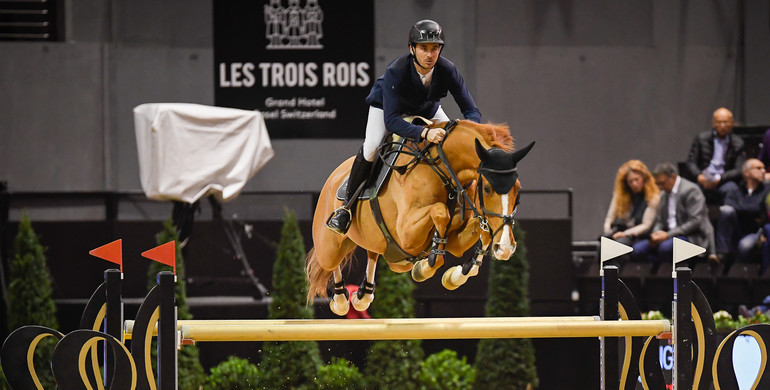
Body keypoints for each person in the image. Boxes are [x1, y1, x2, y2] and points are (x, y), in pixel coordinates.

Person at [326, 19, 482, 235]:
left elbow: (471, 110)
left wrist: (470, 132)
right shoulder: (396, 71)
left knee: (450, 143)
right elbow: (392, 121)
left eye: (435, 48)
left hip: (427, 109)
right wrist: (425, 132)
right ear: (412, 49)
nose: (430, 55)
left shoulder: (447, 69)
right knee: (372, 146)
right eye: (424, 48)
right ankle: (345, 209)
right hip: (387, 109)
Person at [632, 162, 715, 264]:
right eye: (657, 184)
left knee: (666, 248)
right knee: (637, 250)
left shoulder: (691, 190)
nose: (659, 187)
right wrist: (655, 234)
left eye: (662, 183)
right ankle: (660, 271)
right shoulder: (663, 194)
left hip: (691, 236)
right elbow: (660, 221)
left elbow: (695, 222)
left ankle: (672, 273)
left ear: (673, 177)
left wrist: (668, 235)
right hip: (667, 236)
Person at [711, 159, 770, 264]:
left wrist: (740, 208)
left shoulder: (766, 189)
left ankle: (737, 271)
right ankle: (721, 254)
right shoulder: (735, 188)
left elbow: (756, 209)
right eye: (758, 168)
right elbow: (728, 206)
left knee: (744, 246)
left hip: (755, 231)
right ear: (747, 172)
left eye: (764, 168)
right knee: (727, 211)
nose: (763, 171)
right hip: (737, 228)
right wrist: (747, 209)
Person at [683, 107, 746, 204]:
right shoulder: (701, 138)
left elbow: (739, 169)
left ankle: (726, 216)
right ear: (713, 123)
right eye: (719, 122)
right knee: (691, 190)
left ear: (732, 123)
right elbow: (691, 162)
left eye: (726, 122)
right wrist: (699, 176)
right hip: (703, 178)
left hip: (724, 180)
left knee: (732, 189)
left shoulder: (738, 143)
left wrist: (720, 178)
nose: (722, 125)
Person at [602, 160, 660, 247]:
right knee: (603, 243)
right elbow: (609, 218)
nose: (634, 184)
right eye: (630, 182)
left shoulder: (653, 197)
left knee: (619, 245)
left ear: (644, 178)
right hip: (621, 232)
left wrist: (625, 233)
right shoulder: (620, 196)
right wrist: (608, 231)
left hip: (640, 234)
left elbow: (646, 225)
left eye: (637, 180)